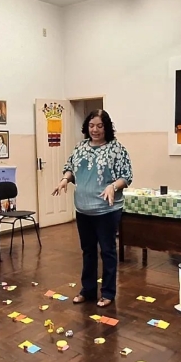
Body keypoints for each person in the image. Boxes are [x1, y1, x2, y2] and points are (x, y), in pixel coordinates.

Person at [52, 110, 133, 307]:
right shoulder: (80, 147)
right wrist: (65, 179)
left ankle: (108, 293)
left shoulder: (116, 149)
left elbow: (126, 176)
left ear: (106, 127)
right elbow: (70, 168)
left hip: (107, 210)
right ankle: (87, 291)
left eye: (99, 126)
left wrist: (113, 186)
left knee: (107, 251)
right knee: (88, 251)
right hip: (83, 210)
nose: (95, 130)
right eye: (91, 126)